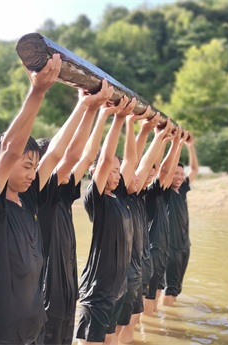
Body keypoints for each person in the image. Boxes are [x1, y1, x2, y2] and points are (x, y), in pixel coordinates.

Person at [0, 54, 67, 344]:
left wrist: (87, 105)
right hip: (5, 333)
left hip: (35, 326)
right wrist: (37, 91)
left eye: (34, 168)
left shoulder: (29, 202)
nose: (32, 175)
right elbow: (11, 150)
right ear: (4, 165)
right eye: (27, 167)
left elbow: (62, 153)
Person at [36, 80, 115, 345]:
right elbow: (68, 155)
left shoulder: (62, 194)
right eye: (53, 163)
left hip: (67, 290)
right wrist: (86, 107)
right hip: (47, 292)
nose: (62, 167)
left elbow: (86, 155)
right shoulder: (41, 195)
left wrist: (100, 112)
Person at [76, 96, 139, 345]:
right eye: (111, 171)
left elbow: (131, 162)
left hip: (117, 285)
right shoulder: (97, 199)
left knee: (110, 341)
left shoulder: (120, 196)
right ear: (95, 174)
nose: (116, 175)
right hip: (99, 287)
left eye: (117, 171)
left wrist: (131, 122)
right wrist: (117, 119)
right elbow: (103, 160)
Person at [114, 112, 172, 343]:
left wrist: (159, 137)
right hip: (122, 277)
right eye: (135, 174)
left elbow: (145, 164)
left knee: (133, 322)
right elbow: (134, 161)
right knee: (117, 329)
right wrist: (139, 128)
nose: (143, 176)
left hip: (138, 272)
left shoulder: (137, 196)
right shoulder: (120, 198)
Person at [143, 125, 184, 316]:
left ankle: (151, 330)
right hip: (152, 252)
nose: (153, 173)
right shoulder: (149, 193)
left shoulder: (163, 194)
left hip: (162, 251)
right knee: (146, 305)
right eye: (148, 171)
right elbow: (164, 170)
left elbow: (162, 168)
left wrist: (169, 142)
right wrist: (175, 143)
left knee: (155, 301)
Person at [161, 134, 199, 307]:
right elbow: (166, 170)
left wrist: (190, 147)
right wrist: (176, 145)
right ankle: (166, 325)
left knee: (176, 287)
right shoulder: (165, 191)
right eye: (175, 173)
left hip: (185, 246)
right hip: (170, 247)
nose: (179, 177)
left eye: (181, 174)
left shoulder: (182, 189)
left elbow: (195, 170)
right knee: (170, 286)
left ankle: (168, 315)